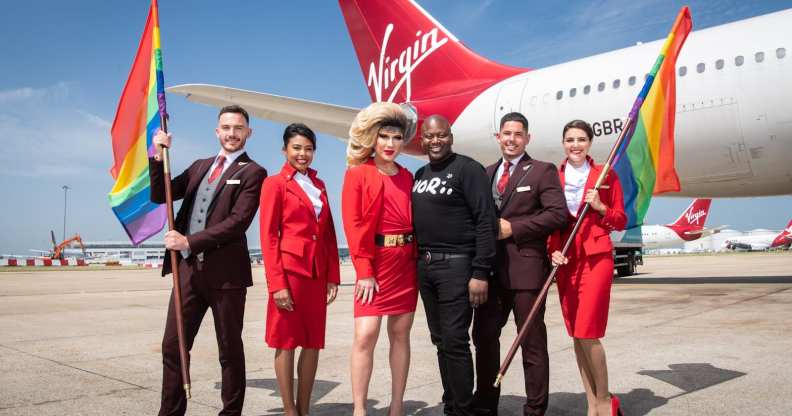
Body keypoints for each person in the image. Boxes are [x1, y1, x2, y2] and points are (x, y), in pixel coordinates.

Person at [149, 105, 267, 416]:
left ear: (249, 132)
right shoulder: (198, 167)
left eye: (238, 128)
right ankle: (170, 412)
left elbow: (237, 222)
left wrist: (189, 241)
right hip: (188, 272)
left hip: (226, 276)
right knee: (173, 345)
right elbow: (161, 194)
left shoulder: (253, 172)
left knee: (229, 349)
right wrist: (158, 155)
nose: (232, 133)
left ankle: (230, 413)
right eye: (226, 127)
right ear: (217, 131)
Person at [472, 112, 568, 416]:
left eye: (517, 134)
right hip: (490, 273)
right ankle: (485, 406)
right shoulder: (485, 173)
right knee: (484, 339)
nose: (511, 139)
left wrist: (514, 228)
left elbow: (558, 214)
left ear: (527, 138)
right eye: (506, 133)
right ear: (498, 137)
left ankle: (535, 409)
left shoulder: (542, 171)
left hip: (526, 272)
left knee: (532, 343)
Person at [412, 114, 497, 416]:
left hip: (457, 267)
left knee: (455, 340)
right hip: (426, 268)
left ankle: (463, 410)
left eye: (441, 135)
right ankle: (451, 406)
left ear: (451, 137)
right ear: (422, 140)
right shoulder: (420, 174)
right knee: (440, 341)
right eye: (429, 136)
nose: (435, 141)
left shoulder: (468, 169)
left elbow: (486, 221)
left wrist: (480, 271)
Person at [341, 102, 418, 416]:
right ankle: (360, 408)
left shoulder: (408, 177)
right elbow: (353, 225)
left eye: (396, 138)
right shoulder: (358, 174)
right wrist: (364, 270)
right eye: (384, 136)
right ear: (373, 139)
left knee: (400, 335)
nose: (390, 143)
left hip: (405, 267)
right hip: (374, 265)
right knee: (365, 335)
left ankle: (396, 406)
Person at [259, 123, 340, 416]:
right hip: (290, 273)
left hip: (317, 274)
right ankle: (290, 410)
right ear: (285, 150)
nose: (302, 154)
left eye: (308, 149)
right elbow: (268, 236)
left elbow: (328, 234)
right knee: (286, 341)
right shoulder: (274, 184)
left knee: (313, 342)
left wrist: (332, 276)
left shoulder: (320, 185)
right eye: (296, 148)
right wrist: (277, 284)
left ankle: (305, 409)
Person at [549, 120, 626, 416]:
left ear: (590, 143)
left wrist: (601, 207)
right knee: (576, 333)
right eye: (570, 139)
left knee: (588, 330)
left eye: (581, 139)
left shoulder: (605, 175)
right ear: (563, 143)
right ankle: (591, 403)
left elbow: (621, 219)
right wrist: (552, 250)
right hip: (567, 259)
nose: (575, 145)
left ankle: (605, 400)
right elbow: (549, 222)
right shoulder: (553, 177)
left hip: (596, 257)